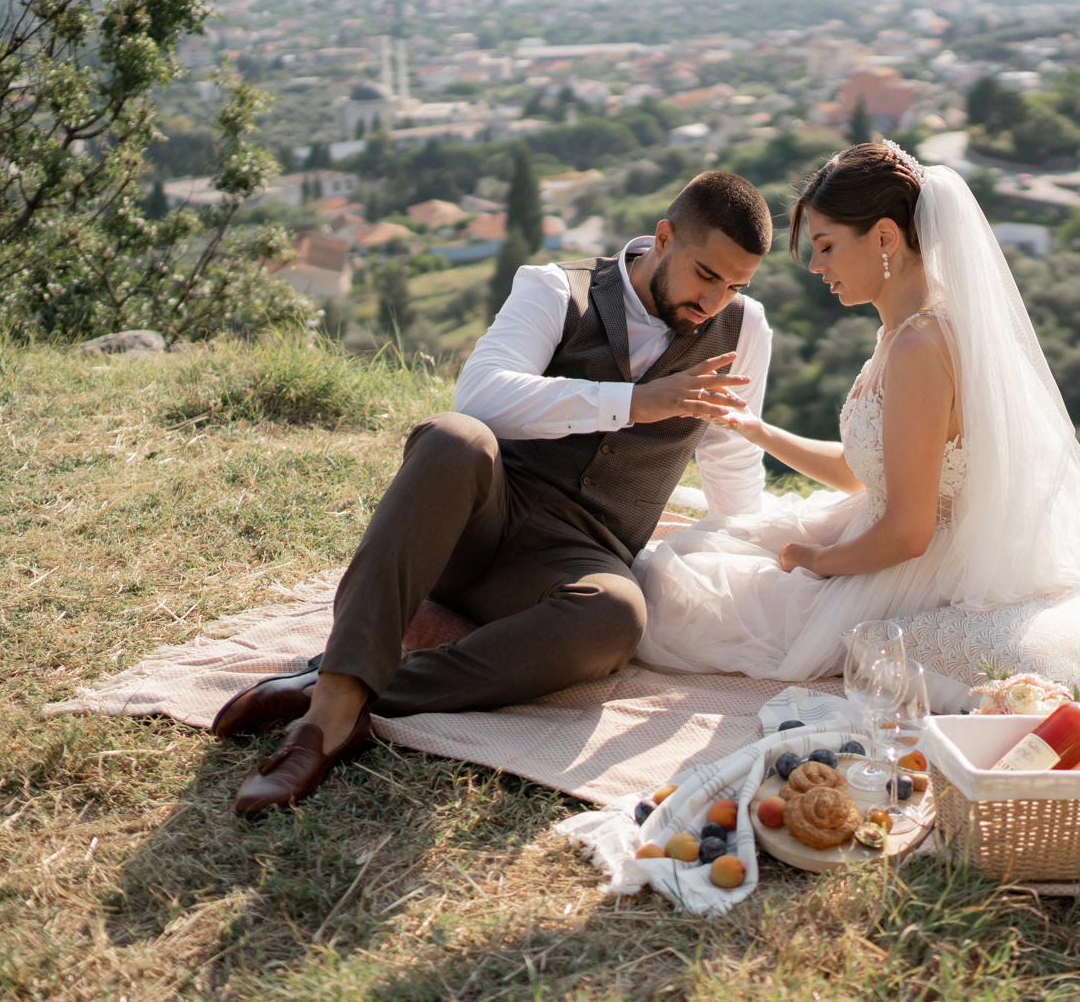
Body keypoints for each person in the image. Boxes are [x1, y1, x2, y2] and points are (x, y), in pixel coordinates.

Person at [213, 171, 776, 814]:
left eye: (735, 285)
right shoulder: (553, 287)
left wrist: (754, 560)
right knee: (455, 437)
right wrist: (632, 403)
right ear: (665, 237)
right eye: (707, 275)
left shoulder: (745, 329)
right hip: (476, 525)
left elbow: (734, 455)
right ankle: (328, 719)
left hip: (569, 562)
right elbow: (479, 394)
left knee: (618, 614)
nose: (715, 300)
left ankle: (353, 686)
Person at [632, 141, 1080, 680]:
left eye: (826, 245)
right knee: (686, 559)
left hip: (915, 569)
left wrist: (813, 561)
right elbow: (860, 472)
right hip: (874, 532)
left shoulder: (919, 348)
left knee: (671, 599)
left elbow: (908, 532)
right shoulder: (909, 329)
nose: (814, 266)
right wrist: (754, 428)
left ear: (883, 237)